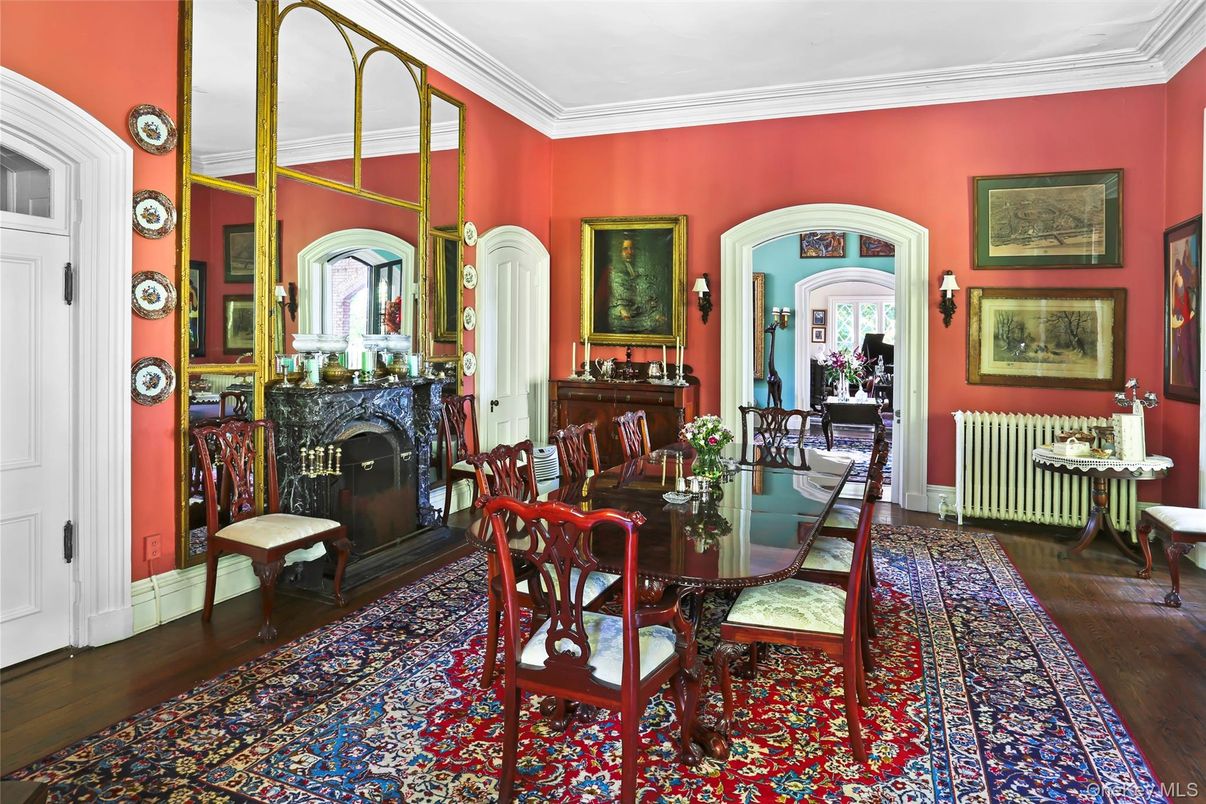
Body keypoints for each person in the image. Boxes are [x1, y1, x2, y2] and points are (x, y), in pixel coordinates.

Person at [605, 235, 667, 334]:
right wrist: (623, 311)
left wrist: (655, 313)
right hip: (621, 314)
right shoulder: (614, 271)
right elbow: (617, 297)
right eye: (625, 249)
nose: (629, 252)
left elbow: (645, 293)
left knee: (660, 324)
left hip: (639, 312)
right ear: (619, 252)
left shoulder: (638, 269)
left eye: (631, 248)